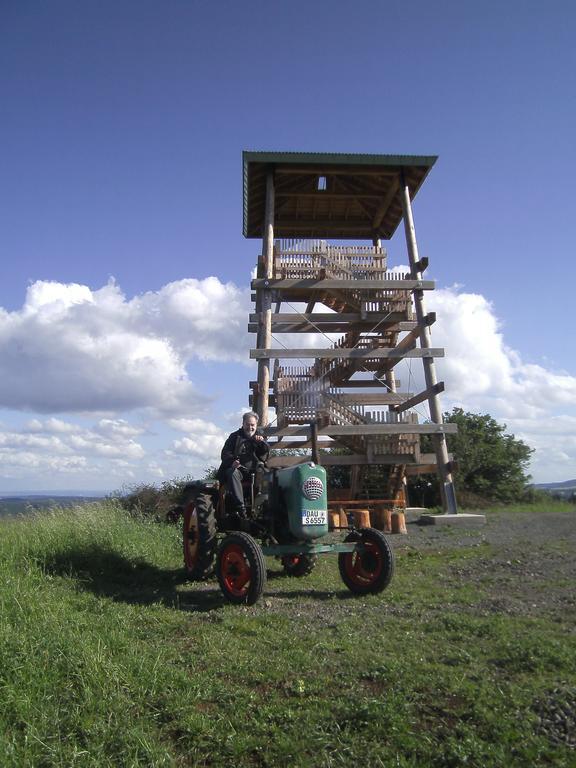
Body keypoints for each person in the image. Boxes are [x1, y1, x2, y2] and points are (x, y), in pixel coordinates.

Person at [216, 412, 269, 517]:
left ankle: (264, 508)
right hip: (239, 471)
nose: (250, 427)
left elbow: (265, 455)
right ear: (243, 424)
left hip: (254, 471)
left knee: (270, 475)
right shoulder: (234, 437)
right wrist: (232, 461)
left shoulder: (260, 437)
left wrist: (261, 443)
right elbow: (225, 454)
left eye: (252, 425)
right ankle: (241, 508)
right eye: (248, 424)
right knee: (232, 473)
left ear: (256, 425)